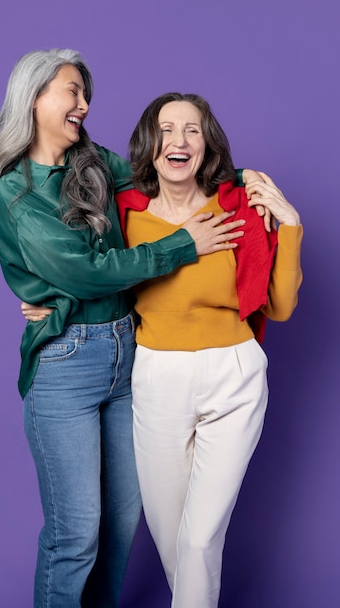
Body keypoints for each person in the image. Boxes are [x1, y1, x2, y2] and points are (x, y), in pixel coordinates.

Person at [0, 51, 254, 608]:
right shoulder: (14, 194)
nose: (84, 105)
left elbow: (157, 172)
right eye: (72, 92)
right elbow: (87, 273)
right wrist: (185, 243)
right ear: (36, 98)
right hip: (66, 362)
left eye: (84, 94)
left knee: (120, 524)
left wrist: (241, 178)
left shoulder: (91, 161)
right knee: (76, 531)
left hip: (127, 351)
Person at [120, 93, 303, 608]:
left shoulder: (240, 206)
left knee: (200, 538)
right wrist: (46, 302)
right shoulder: (124, 214)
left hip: (233, 375)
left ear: (207, 144)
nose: (179, 141)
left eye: (193, 130)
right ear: (149, 143)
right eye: (167, 129)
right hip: (156, 378)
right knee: (172, 537)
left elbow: (281, 307)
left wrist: (288, 225)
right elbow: (85, 272)